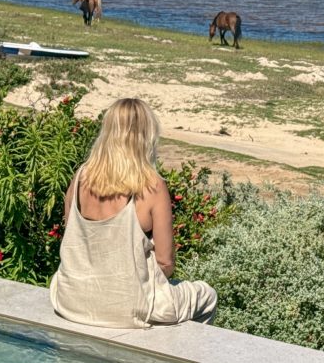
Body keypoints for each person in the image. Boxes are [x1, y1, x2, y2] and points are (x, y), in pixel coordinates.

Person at [50, 98, 217, 328]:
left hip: (71, 300)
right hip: (125, 308)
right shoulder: (152, 186)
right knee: (207, 296)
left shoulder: (81, 177)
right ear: (146, 136)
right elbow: (165, 263)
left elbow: (73, 239)